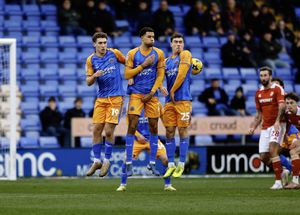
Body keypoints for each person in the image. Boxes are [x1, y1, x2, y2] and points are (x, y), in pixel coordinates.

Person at [124, 27, 165, 176]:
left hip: (152, 95)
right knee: (133, 125)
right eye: (149, 37)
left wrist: (153, 91)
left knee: (154, 127)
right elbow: (127, 74)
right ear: (142, 38)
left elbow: (161, 75)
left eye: (153, 37)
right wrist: (143, 65)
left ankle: (152, 163)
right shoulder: (132, 54)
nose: (152, 39)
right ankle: (129, 163)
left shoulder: (159, 53)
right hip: (136, 94)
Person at [85, 32, 126, 177]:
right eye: (100, 43)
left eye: (105, 42)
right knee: (96, 129)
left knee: (108, 131)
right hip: (101, 99)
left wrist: (132, 78)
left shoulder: (114, 54)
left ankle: (107, 160)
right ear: (94, 44)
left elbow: (128, 63)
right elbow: (88, 82)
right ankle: (97, 161)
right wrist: (94, 76)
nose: (103, 45)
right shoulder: (91, 60)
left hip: (116, 98)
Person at [116, 106, 176, 192]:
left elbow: (164, 117)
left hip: (152, 139)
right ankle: (122, 185)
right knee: (126, 159)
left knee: (166, 160)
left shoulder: (156, 104)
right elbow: (129, 124)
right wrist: (138, 135)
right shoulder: (134, 104)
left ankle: (168, 185)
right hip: (137, 140)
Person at [248, 66, 287, 189]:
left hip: (277, 125)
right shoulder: (258, 93)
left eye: (265, 75)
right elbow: (259, 114)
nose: (263, 78)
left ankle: (278, 182)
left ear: (270, 76)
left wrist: (277, 122)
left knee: (272, 150)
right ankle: (282, 171)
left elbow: (282, 106)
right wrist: (253, 126)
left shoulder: (277, 89)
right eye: (261, 75)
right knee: (263, 157)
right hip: (265, 128)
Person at [162, 33, 192, 178]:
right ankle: (170, 164)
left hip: (183, 100)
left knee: (182, 130)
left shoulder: (186, 55)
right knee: (169, 131)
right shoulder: (166, 61)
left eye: (181, 41)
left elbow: (182, 74)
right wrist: (160, 87)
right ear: (171, 44)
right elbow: (159, 77)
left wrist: (172, 90)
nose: (178, 44)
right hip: (169, 102)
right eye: (176, 42)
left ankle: (181, 164)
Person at [281, 92, 300, 188]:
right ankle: (295, 180)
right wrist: (286, 139)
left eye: (291, 103)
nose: (289, 105)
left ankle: (294, 178)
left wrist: (298, 141)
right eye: (287, 103)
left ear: (297, 103)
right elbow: (287, 128)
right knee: (293, 151)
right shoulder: (288, 114)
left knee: (294, 151)